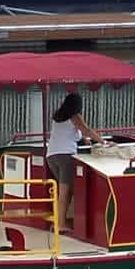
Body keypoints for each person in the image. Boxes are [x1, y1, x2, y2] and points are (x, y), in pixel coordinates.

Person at [46, 92, 105, 234]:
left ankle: (65, 220)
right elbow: (86, 130)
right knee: (65, 192)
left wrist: (84, 139)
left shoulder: (57, 116)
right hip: (65, 156)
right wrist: (103, 141)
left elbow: (73, 133)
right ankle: (61, 224)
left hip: (52, 156)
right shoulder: (75, 116)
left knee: (67, 190)